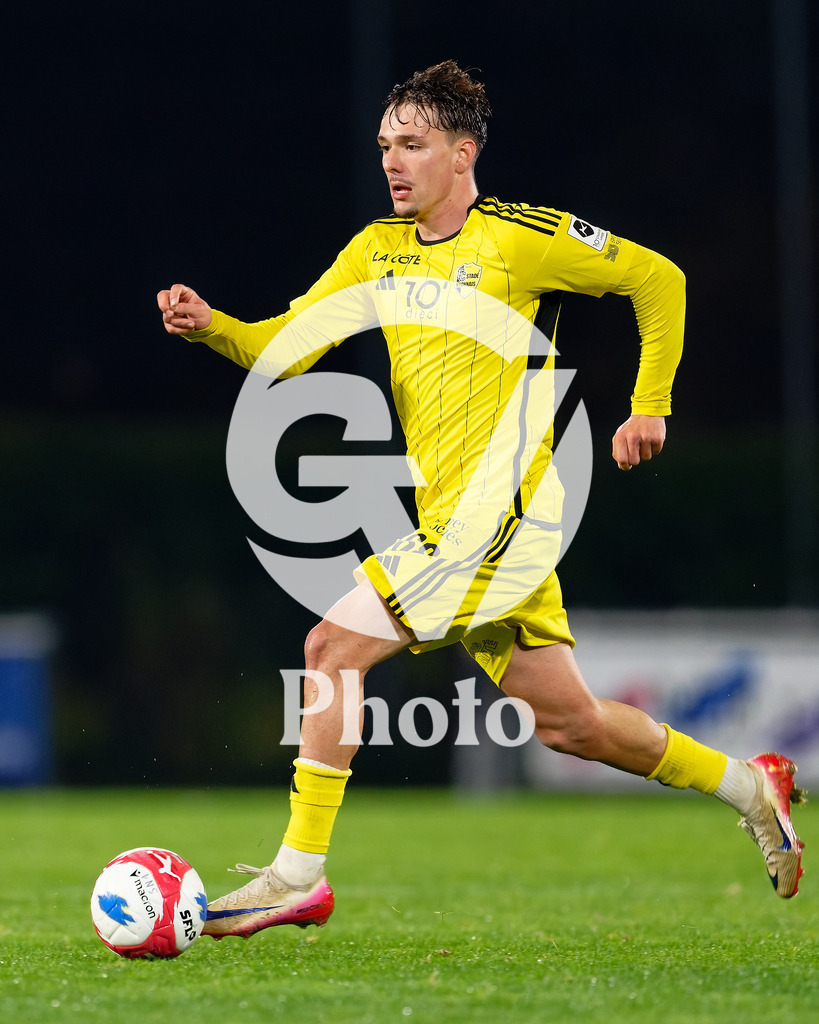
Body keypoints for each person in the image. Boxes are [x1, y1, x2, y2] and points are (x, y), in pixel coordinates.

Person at [158, 61, 805, 938]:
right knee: (570, 726)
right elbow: (289, 347)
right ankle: (747, 784)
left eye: (413, 145)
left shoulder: (518, 238)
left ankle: (294, 876)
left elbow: (659, 279)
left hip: (499, 516)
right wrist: (217, 328)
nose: (393, 162)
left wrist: (648, 402)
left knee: (328, 647)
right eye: (385, 145)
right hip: (453, 523)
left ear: (461, 154)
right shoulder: (374, 248)